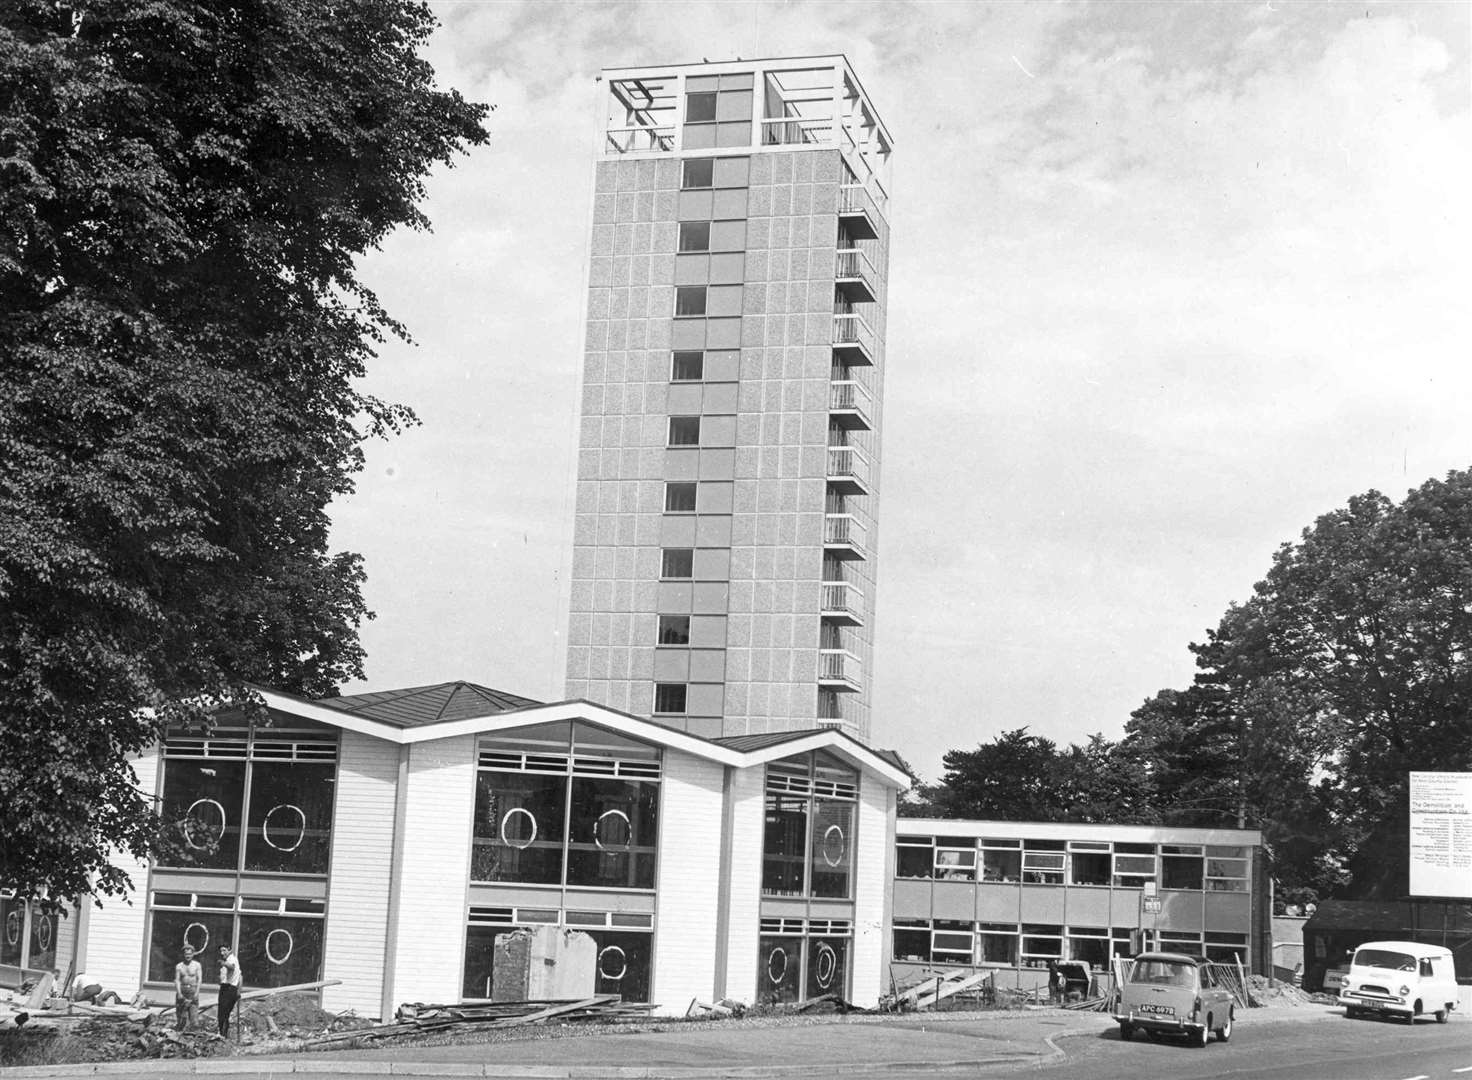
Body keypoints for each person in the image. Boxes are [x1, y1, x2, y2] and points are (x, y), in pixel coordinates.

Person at [173, 946, 202, 1031]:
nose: (188, 956)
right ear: (183, 954)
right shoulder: (179, 966)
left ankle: (193, 1037)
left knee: (194, 1018)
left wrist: (197, 993)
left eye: (190, 954)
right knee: (181, 1018)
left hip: (192, 991)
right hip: (183, 990)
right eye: (186, 954)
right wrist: (179, 993)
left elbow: (199, 980)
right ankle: (180, 1036)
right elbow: (177, 980)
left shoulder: (197, 965)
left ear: (193, 954)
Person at [217, 944, 242, 1038]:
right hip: (226, 988)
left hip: (229, 989)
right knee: (223, 1015)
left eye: (224, 950)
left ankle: (223, 1036)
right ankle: (223, 1035)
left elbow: (231, 967)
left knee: (223, 1015)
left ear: (229, 950)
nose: (222, 953)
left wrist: (223, 964)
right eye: (221, 951)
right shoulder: (228, 960)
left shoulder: (232, 959)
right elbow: (240, 976)